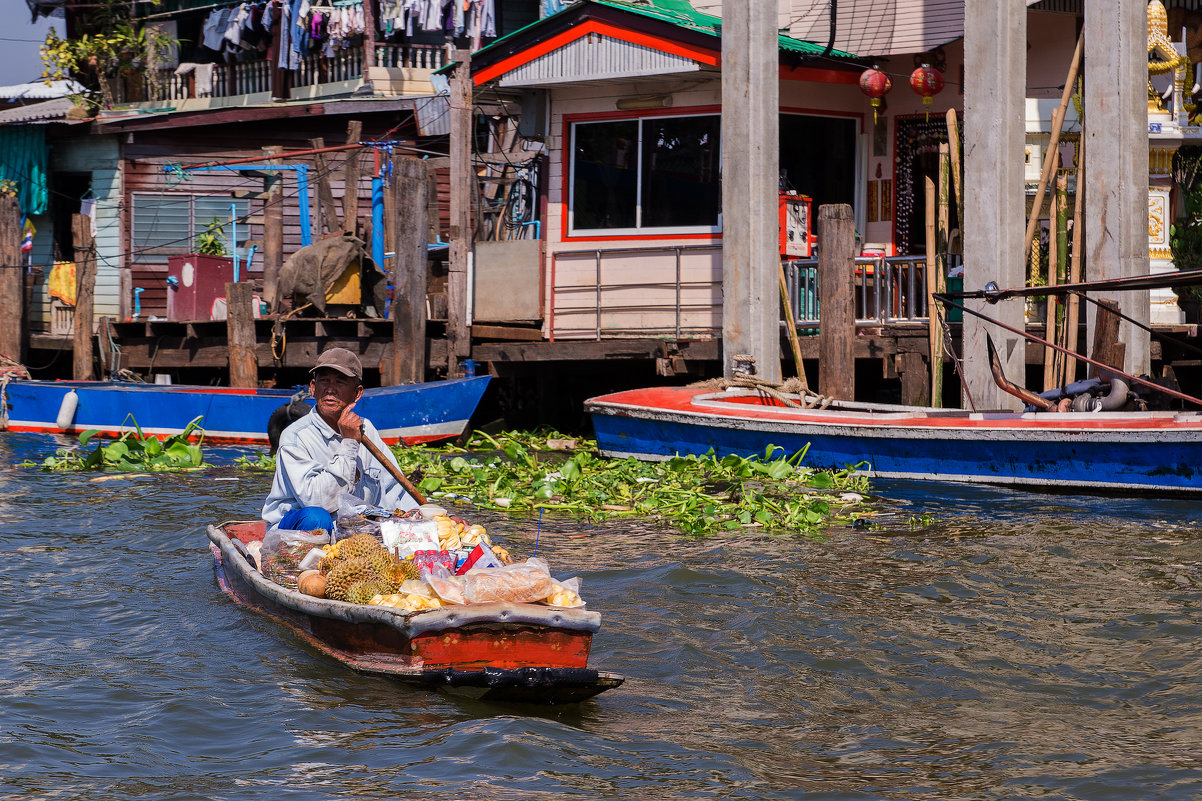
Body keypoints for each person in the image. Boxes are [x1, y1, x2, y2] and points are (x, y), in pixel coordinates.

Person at [262, 346, 419, 531]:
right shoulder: (296, 436)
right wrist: (350, 443)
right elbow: (319, 501)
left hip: (351, 531)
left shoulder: (367, 429)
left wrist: (428, 516)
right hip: (296, 528)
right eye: (325, 381)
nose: (330, 389)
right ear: (313, 388)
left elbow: (395, 490)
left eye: (340, 382)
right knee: (317, 518)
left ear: (357, 393)